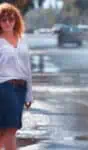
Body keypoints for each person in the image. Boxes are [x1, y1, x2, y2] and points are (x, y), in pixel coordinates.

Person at [0, 3, 33, 150]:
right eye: (3, 20)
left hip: (20, 88)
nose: (8, 23)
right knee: (11, 128)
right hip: (4, 87)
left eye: (11, 19)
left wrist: (29, 95)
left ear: (16, 21)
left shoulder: (22, 41)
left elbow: (27, 70)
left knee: (4, 130)